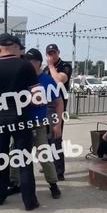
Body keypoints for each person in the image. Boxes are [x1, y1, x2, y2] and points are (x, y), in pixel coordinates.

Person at [0, 33, 39, 210]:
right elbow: (36, 94)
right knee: (24, 160)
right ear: (15, 46)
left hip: (0, 119)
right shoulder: (25, 65)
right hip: (21, 118)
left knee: (0, 158)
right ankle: (29, 201)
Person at [10, 48, 62, 199]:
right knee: (15, 153)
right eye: (25, 61)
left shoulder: (47, 80)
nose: (27, 64)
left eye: (30, 62)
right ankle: (14, 183)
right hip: (21, 123)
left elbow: (58, 102)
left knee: (44, 154)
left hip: (39, 124)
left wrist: (57, 123)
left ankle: (53, 184)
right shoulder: (20, 78)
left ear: (38, 63)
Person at [44, 44, 72, 180]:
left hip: (58, 107)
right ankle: (50, 167)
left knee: (56, 139)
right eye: (49, 53)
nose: (51, 56)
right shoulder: (44, 70)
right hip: (45, 108)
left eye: (53, 53)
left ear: (58, 52)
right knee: (46, 140)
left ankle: (59, 171)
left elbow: (59, 80)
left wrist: (50, 66)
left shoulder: (64, 66)